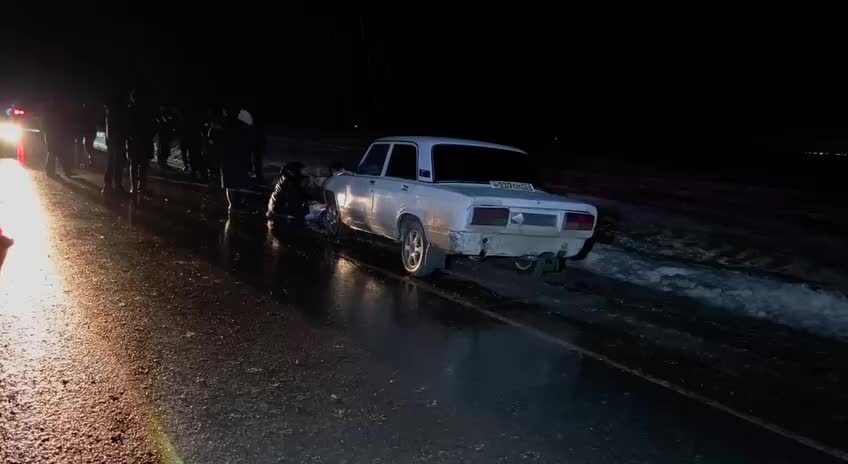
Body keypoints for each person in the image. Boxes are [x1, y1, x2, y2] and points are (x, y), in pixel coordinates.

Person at [126, 88, 154, 195]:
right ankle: (139, 186)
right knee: (139, 165)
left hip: (139, 140)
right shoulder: (137, 110)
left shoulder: (132, 109)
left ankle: (137, 186)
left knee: (138, 164)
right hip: (140, 140)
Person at [103, 91, 128, 195]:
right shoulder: (116, 111)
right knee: (116, 163)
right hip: (116, 139)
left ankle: (110, 185)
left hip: (114, 139)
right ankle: (114, 185)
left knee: (113, 162)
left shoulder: (111, 111)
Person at [43, 96, 75, 177]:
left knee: (52, 151)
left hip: (51, 132)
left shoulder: (49, 109)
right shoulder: (55, 110)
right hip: (54, 133)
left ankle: (51, 171)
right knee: (56, 152)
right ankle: (61, 171)